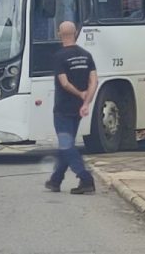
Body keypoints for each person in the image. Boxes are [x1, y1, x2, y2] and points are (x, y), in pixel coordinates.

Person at [45, 21, 97, 195]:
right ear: (75, 33)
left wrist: (79, 94)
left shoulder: (59, 56)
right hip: (78, 109)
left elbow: (64, 83)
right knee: (67, 144)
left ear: (59, 34)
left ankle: (85, 178)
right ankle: (55, 180)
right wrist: (86, 102)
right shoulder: (86, 55)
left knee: (66, 145)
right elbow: (94, 81)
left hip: (63, 108)